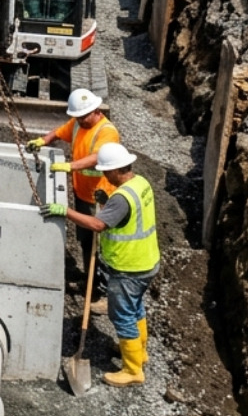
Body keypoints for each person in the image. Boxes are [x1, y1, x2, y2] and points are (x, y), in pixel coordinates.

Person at [43, 142, 160, 387]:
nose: (104, 176)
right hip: (147, 261)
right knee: (136, 308)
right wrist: (106, 203)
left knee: (123, 315)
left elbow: (97, 225)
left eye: (106, 172)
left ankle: (132, 370)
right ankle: (140, 351)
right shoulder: (141, 184)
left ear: (117, 170)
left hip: (129, 268)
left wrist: (64, 211)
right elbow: (126, 217)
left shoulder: (122, 198)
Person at [28, 88, 118, 300]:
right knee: (87, 242)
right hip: (83, 194)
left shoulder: (107, 131)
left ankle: (102, 293)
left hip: (101, 198)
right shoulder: (78, 123)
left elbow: (98, 157)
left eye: (84, 116)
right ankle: (90, 282)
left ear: (96, 110)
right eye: (77, 117)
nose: (81, 121)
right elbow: (59, 132)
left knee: (102, 247)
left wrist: (71, 166)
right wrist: (43, 140)